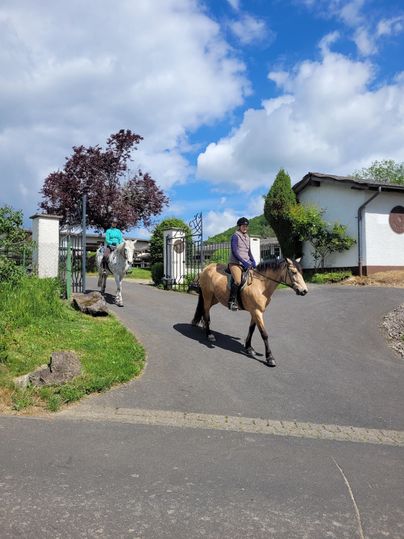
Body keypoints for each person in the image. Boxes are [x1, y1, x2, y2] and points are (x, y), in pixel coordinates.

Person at [227, 217, 256, 310]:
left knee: (255, 279)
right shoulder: (235, 236)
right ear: (239, 226)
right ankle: (232, 301)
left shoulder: (247, 237)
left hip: (246, 262)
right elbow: (235, 251)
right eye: (243, 226)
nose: (245, 227)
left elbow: (249, 251)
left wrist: (253, 260)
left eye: (246, 226)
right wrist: (243, 262)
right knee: (238, 281)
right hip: (235, 263)